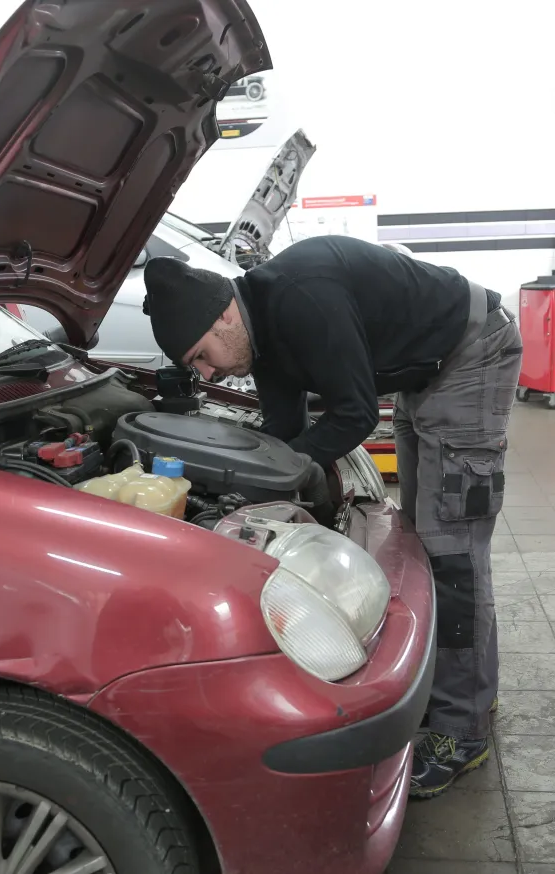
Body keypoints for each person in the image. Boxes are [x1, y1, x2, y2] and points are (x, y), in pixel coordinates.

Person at [143, 234, 522, 798]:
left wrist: (292, 468)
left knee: (453, 553)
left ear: (223, 317)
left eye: (201, 356)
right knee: (424, 543)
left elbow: (353, 413)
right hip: (424, 370)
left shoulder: (301, 297)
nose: (210, 375)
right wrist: (226, 471)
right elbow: (284, 426)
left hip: (471, 352)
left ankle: (461, 732)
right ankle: (461, 694)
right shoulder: (259, 337)